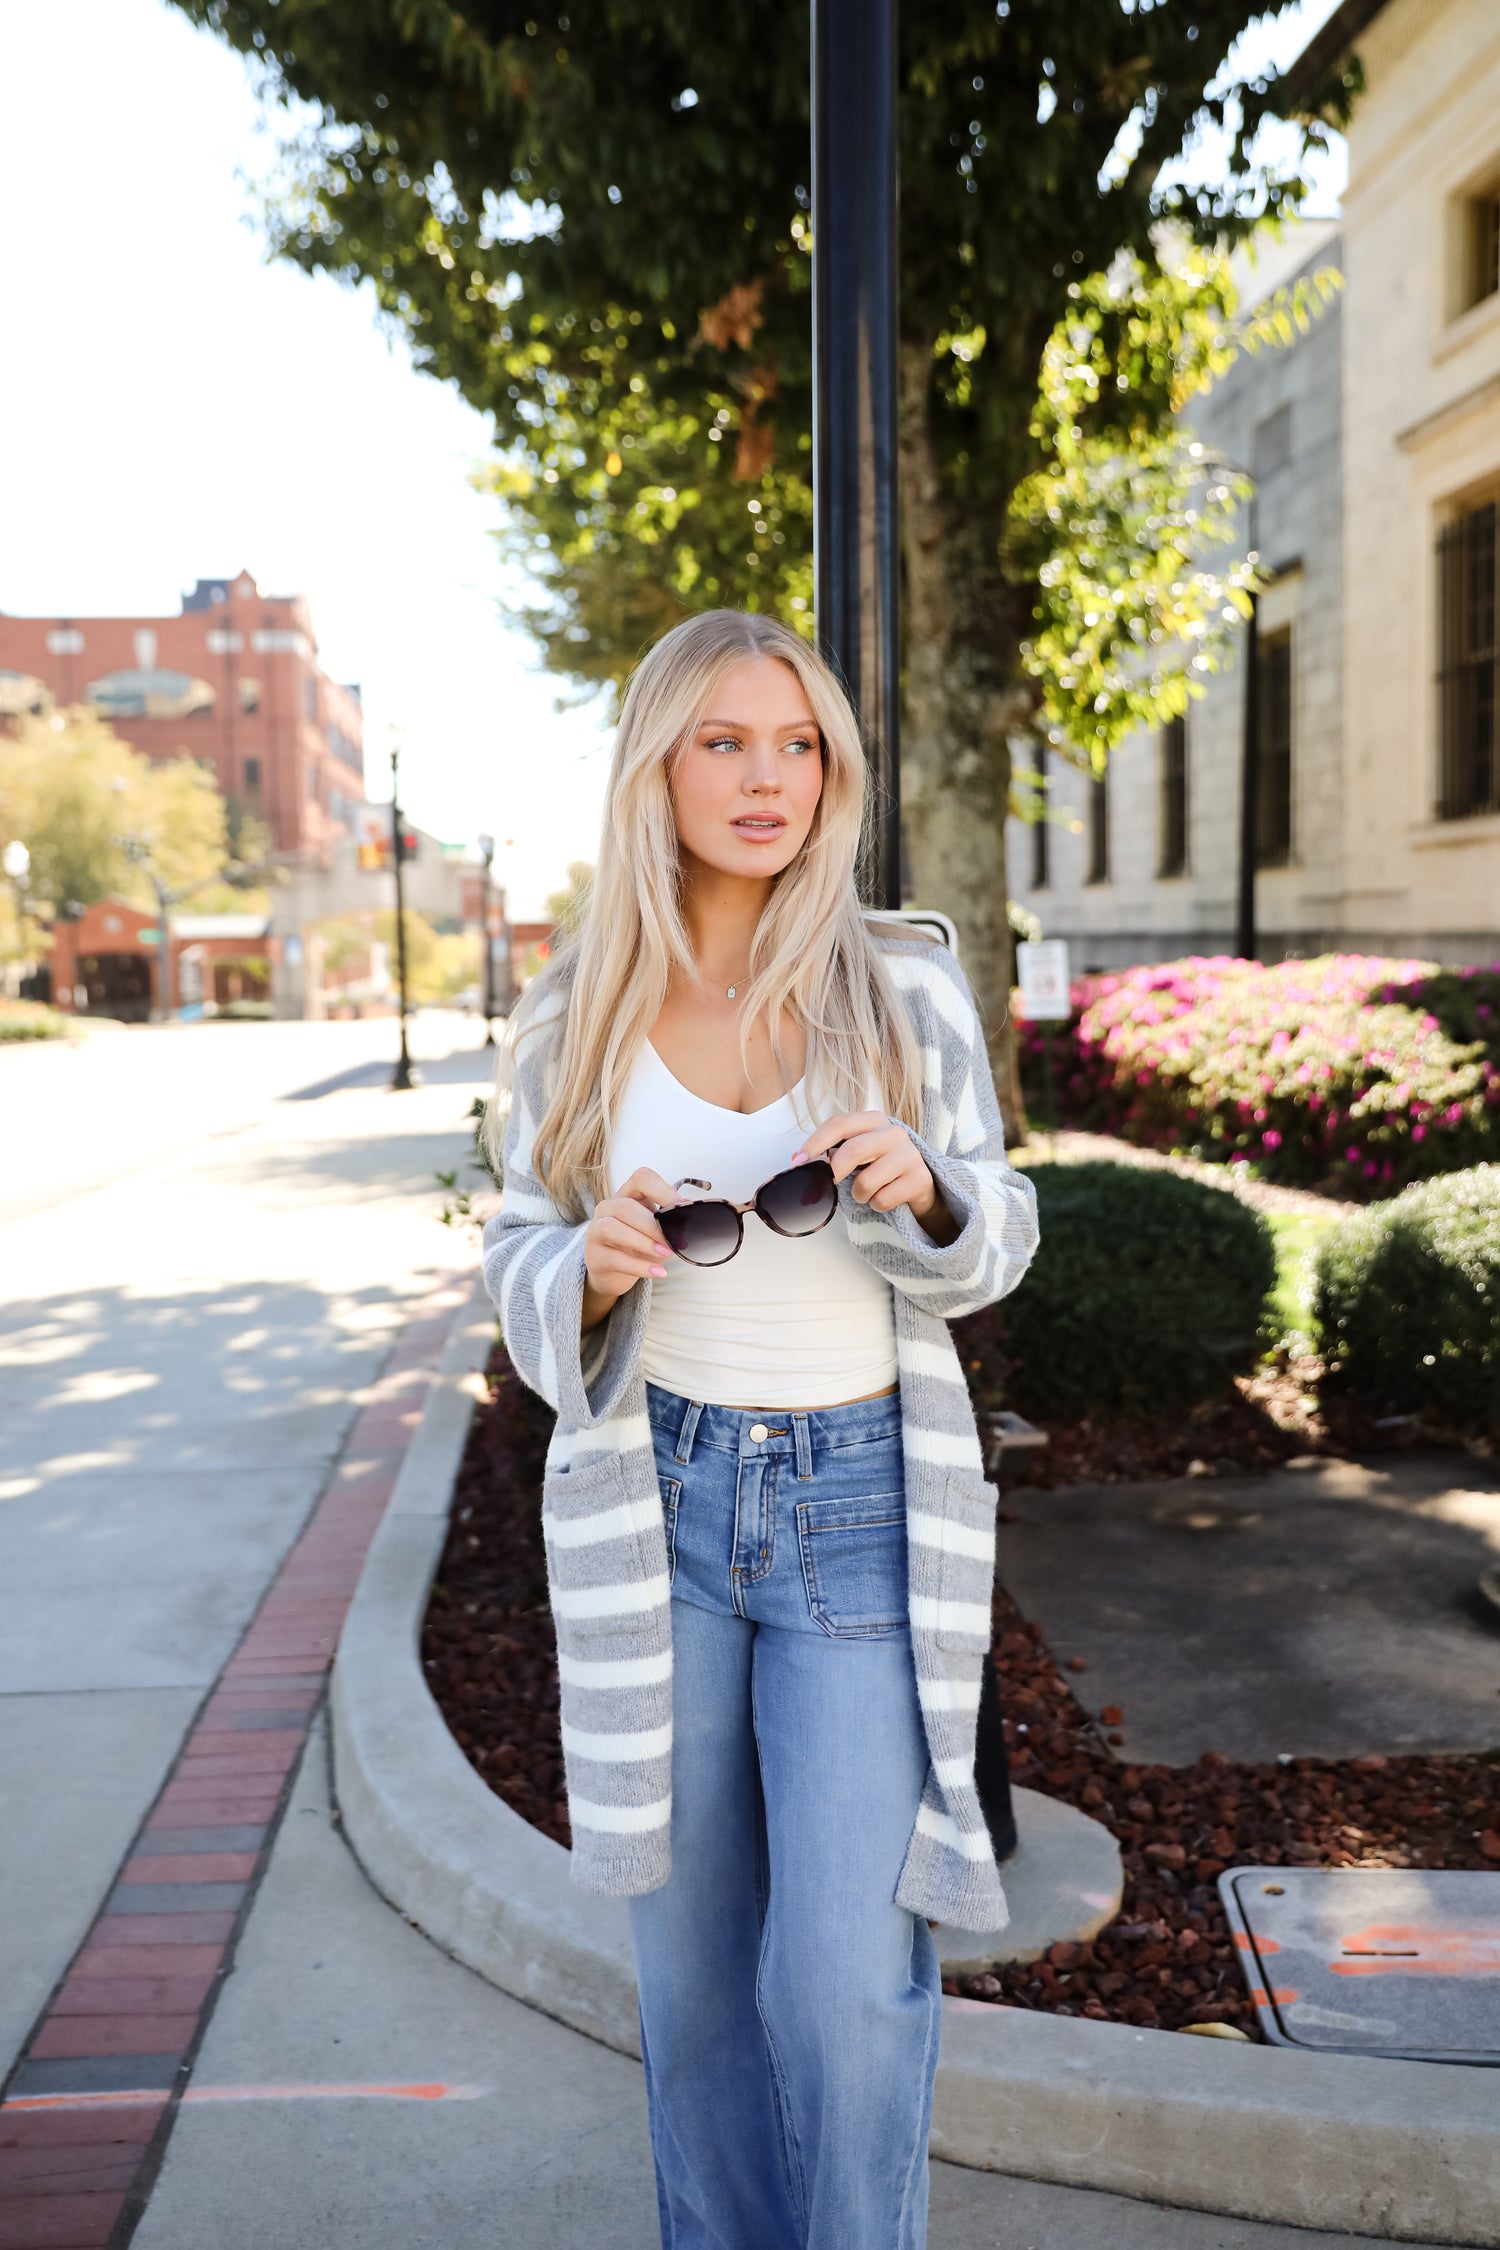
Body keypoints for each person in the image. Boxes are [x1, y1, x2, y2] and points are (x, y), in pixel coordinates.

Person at [483, 609, 1039, 2250]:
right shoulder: (573, 1004)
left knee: (846, 1976)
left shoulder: (902, 984)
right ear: (656, 764)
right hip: (657, 1499)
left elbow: (999, 1227)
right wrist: (579, 1265)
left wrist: (930, 1185)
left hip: (857, 1499)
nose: (767, 776)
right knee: (694, 1968)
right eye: (726, 740)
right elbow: (519, 1244)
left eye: (798, 744)